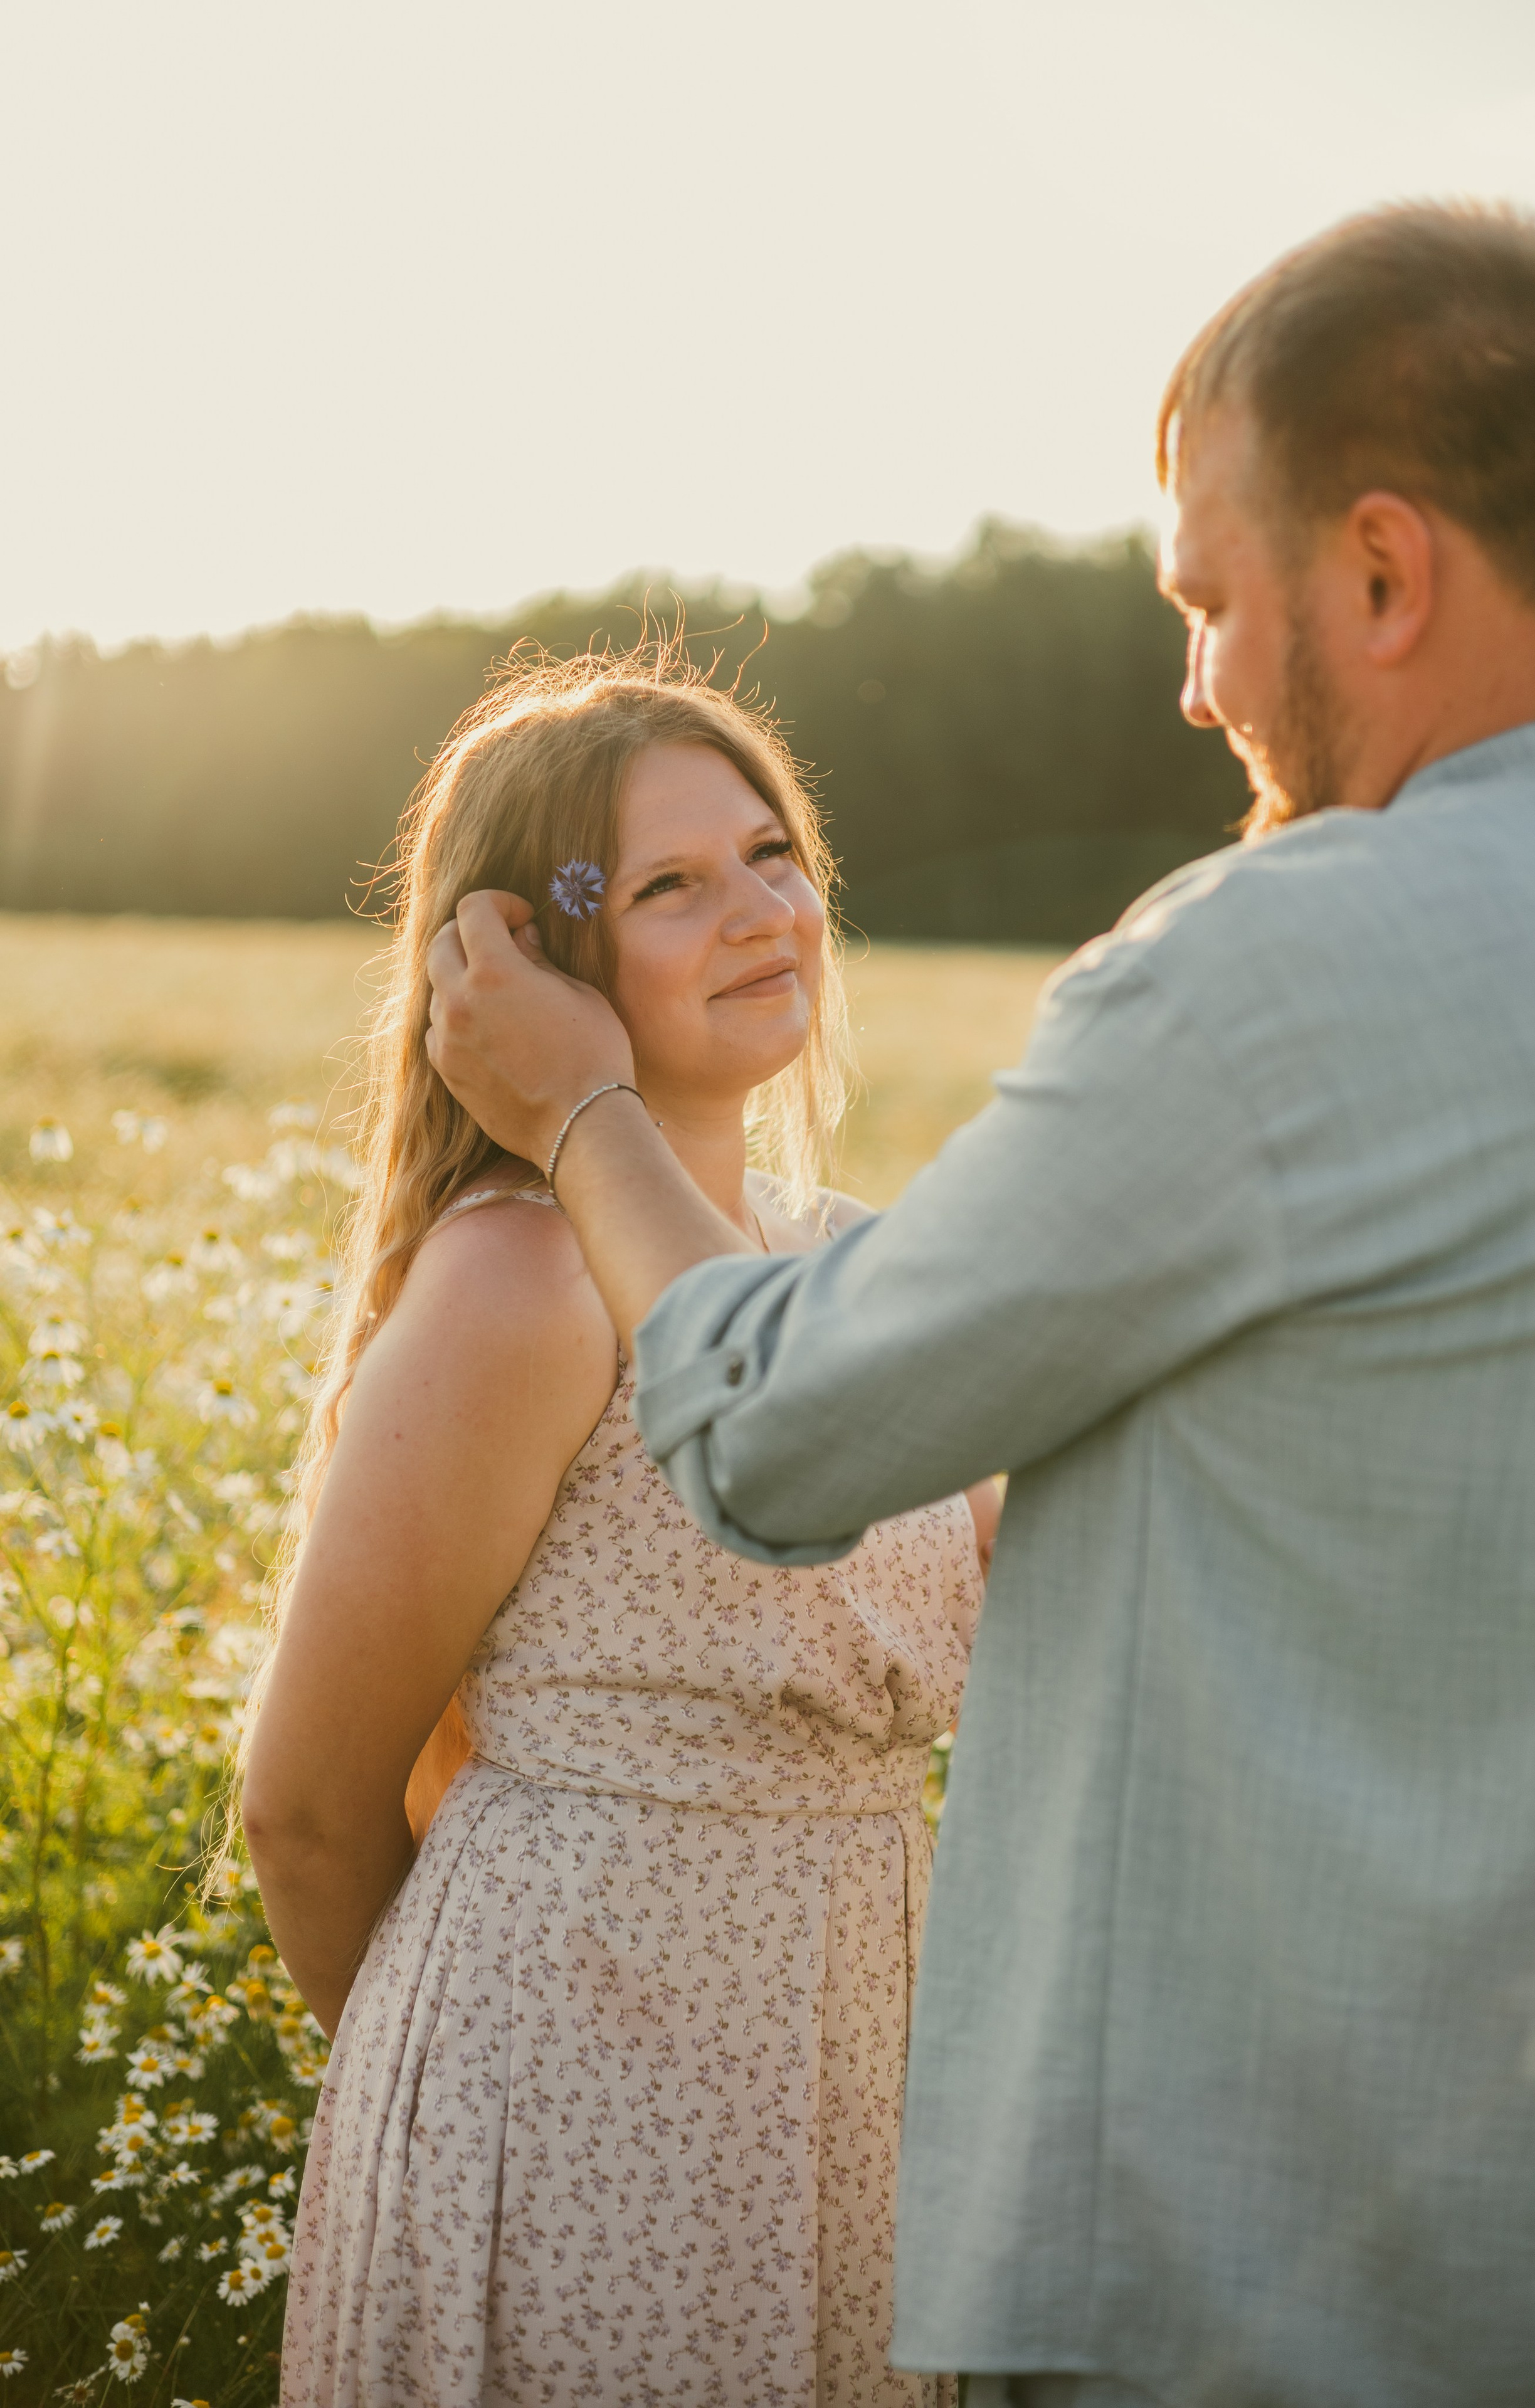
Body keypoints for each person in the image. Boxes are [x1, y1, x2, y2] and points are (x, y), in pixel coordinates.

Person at [423, 203, 1535, 2407]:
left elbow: (779, 1439)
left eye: (1209, 602)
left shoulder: (1280, 965)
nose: (1199, 687)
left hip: (1266, 2268)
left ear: (1380, 572)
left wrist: (585, 1117)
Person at [241, 654, 997, 2407]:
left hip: (855, 2105)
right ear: (532, 962)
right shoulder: (522, 1281)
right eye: (671, 884)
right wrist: (475, 2119)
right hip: (566, 2128)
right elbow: (305, 1804)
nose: (760, 914)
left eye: (770, 855)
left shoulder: (866, 1264)